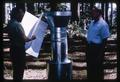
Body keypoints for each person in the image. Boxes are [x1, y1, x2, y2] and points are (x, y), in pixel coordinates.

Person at [6, 7, 36, 82]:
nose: (23, 15)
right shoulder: (17, 25)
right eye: (22, 13)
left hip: (13, 49)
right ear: (17, 14)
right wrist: (32, 37)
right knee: (19, 71)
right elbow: (25, 39)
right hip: (19, 50)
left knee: (16, 70)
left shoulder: (10, 23)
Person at [86, 6, 110, 81]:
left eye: (94, 12)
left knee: (97, 71)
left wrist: (100, 55)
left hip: (97, 50)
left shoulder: (103, 24)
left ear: (99, 13)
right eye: (91, 12)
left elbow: (104, 40)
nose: (92, 14)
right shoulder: (92, 23)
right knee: (90, 70)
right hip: (90, 49)